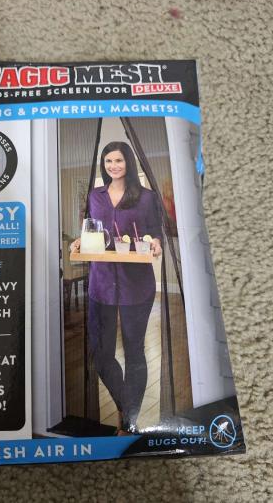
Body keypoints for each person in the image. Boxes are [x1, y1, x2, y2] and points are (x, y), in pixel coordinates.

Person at [71, 141, 162, 435]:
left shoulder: (146, 197)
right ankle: (127, 409)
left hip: (137, 285)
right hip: (101, 284)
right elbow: (90, 230)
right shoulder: (94, 196)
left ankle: (129, 422)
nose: (113, 166)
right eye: (109, 161)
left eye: (119, 160)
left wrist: (156, 242)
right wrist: (79, 241)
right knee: (101, 355)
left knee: (135, 351)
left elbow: (155, 231)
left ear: (128, 163)